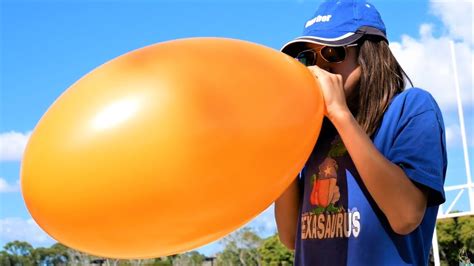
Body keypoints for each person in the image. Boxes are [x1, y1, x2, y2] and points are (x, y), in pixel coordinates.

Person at [274, 0, 447, 265]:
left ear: (370, 53)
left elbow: (406, 216)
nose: (321, 68)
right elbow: (290, 237)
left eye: (333, 53)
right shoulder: (313, 132)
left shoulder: (411, 108)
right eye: (309, 58)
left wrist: (340, 115)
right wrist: (286, 142)